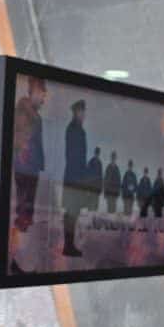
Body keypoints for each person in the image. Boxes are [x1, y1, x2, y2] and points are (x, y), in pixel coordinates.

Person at [9, 76, 46, 273]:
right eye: (41, 93)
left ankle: (18, 261)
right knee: (23, 215)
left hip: (30, 169)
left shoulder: (31, 115)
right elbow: (18, 141)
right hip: (25, 170)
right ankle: (16, 262)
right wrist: (23, 152)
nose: (43, 98)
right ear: (32, 92)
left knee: (26, 215)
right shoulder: (23, 114)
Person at [61, 99, 89, 257]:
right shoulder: (73, 130)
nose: (84, 115)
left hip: (76, 177)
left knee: (74, 213)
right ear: (77, 112)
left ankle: (69, 245)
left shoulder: (78, 129)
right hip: (74, 178)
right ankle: (68, 246)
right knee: (71, 213)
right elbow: (73, 157)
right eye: (82, 111)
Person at [87, 146, 104, 213]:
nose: (97, 154)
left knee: (96, 205)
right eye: (96, 152)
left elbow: (100, 177)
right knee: (90, 204)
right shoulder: (91, 162)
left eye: (98, 153)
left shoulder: (100, 163)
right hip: (91, 186)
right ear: (95, 153)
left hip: (97, 187)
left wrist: (100, 188)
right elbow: (87, 175)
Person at [136, 166, 153, 231]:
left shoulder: (148, 181)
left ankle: (145, 227)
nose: (145, 173)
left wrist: (150, 201)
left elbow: (150, 191)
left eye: (146, 172)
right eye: (145, 172)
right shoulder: (141, 180)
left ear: (147, 173)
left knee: (145, 214)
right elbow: (138, 190)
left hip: (146, 200)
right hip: (141, 200)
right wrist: (138, 199)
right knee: (141, 214)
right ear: (144, 172)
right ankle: (141, 227)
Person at [151, 167, 164, 232]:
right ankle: (157, 228)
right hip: (157, 202)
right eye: (159, 173)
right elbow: (154, 192)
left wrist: (163, 202)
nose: (159, 174)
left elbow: (163, 193)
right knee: (157, 215)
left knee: (158, 215)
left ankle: (158, 228)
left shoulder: (159, 181)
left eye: (160, 173)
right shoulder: (158, 181)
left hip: (158, 202)